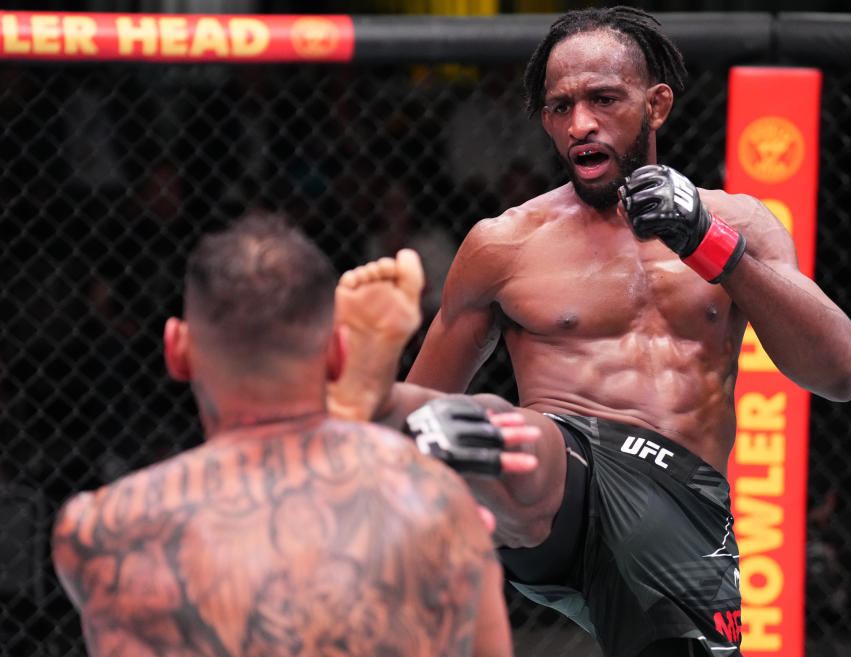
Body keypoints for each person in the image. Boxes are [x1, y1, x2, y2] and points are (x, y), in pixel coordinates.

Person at [338, 7, 851, 657]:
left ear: (657, 104)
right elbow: (426, 402)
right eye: (560, 107)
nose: (579, 123)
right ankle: (365, 395)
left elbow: (841, 371)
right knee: (482, 430)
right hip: (556, 483)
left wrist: (711, 246)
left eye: (602, 99)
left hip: (677, 502)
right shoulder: (505, 245)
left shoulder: (739, 222)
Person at [49, 213, 529, 657]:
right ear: (338, 355)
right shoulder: (442, 505)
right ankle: (366, 414)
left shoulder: (101, 530)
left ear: (176, 350)